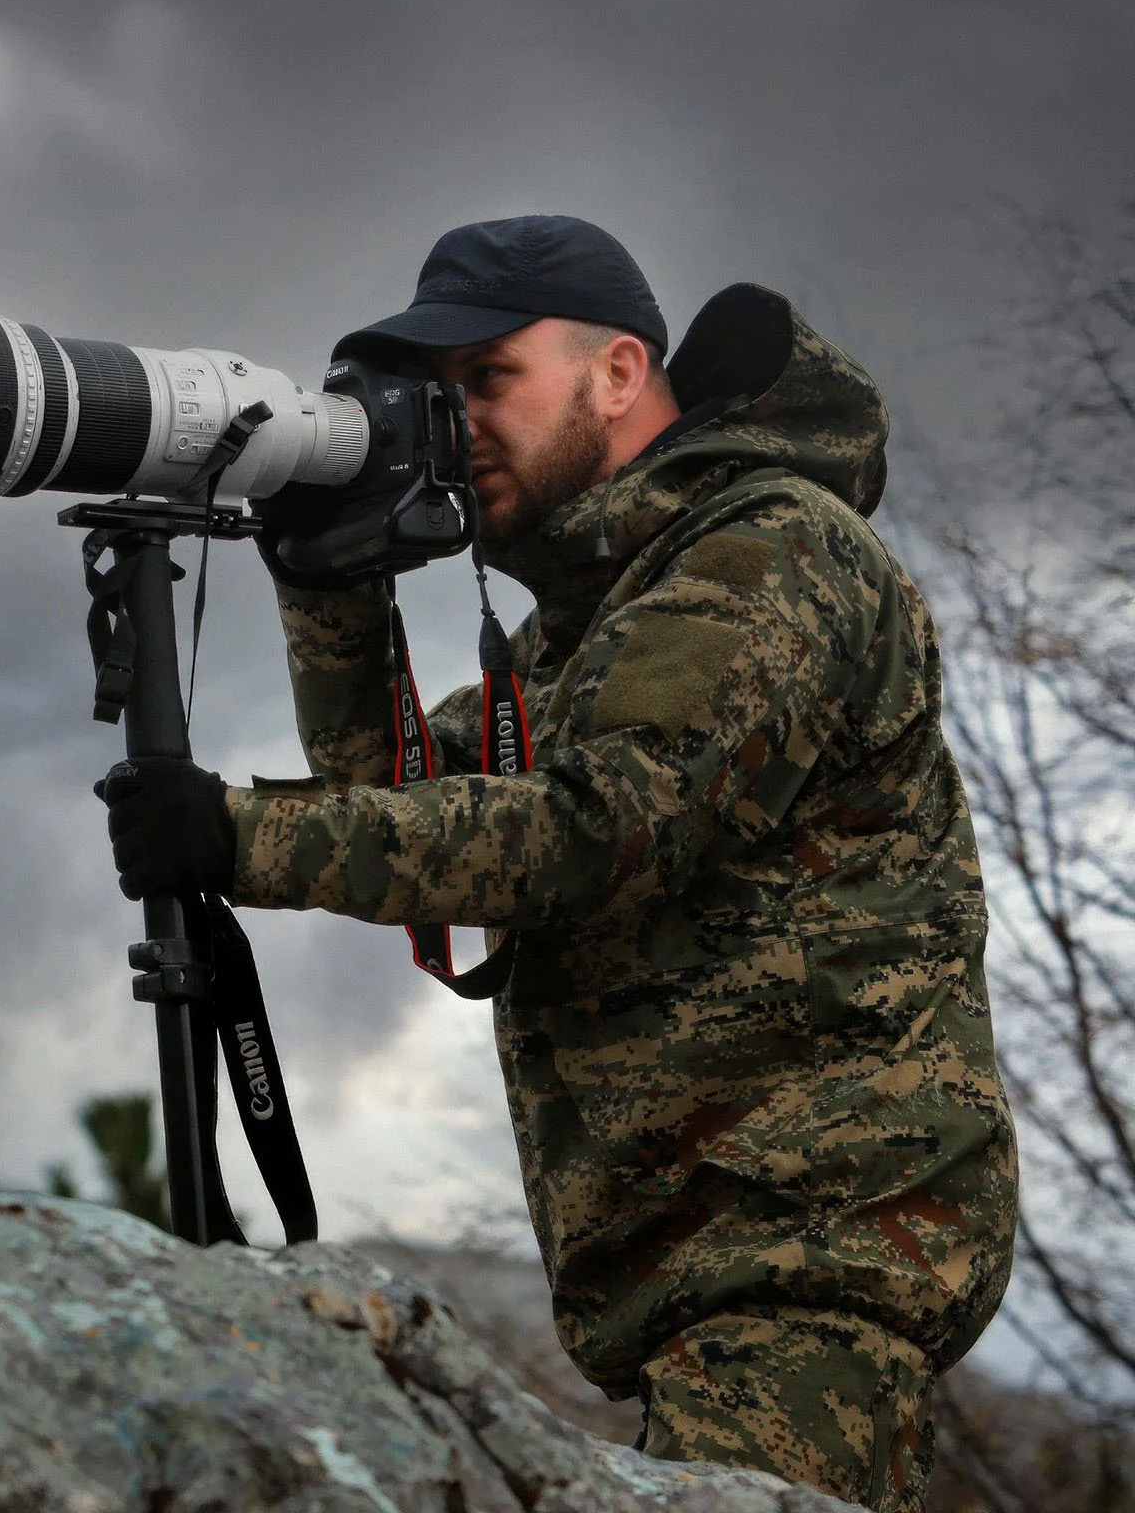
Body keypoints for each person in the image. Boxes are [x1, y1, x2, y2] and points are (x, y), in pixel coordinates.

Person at [101, 216, 1017, 1513]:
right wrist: (328, 588)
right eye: (439, 393)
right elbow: (410, 809)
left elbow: (589, 832)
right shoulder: (583, 633)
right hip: (706, 1284)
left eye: (489, 379)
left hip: (808, 1264)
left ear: (619, 374)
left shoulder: (769, 552)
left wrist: (241, 835)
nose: (455, 420)